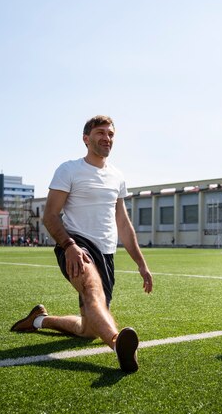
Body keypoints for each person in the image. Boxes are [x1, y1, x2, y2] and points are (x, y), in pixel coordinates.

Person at [11, 115, 153, 372]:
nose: (106, 138)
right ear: (86, 139)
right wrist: (69, 246)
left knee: (87, 329)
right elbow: (50, 215)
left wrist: (141, 265)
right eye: (100, 133)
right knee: (92, 292)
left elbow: (124, 224)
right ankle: (116, 342)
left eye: (110, 134)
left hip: (106, 254)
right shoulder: (69, 169)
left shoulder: (117, 177)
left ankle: (39, 321)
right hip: (77, 246)